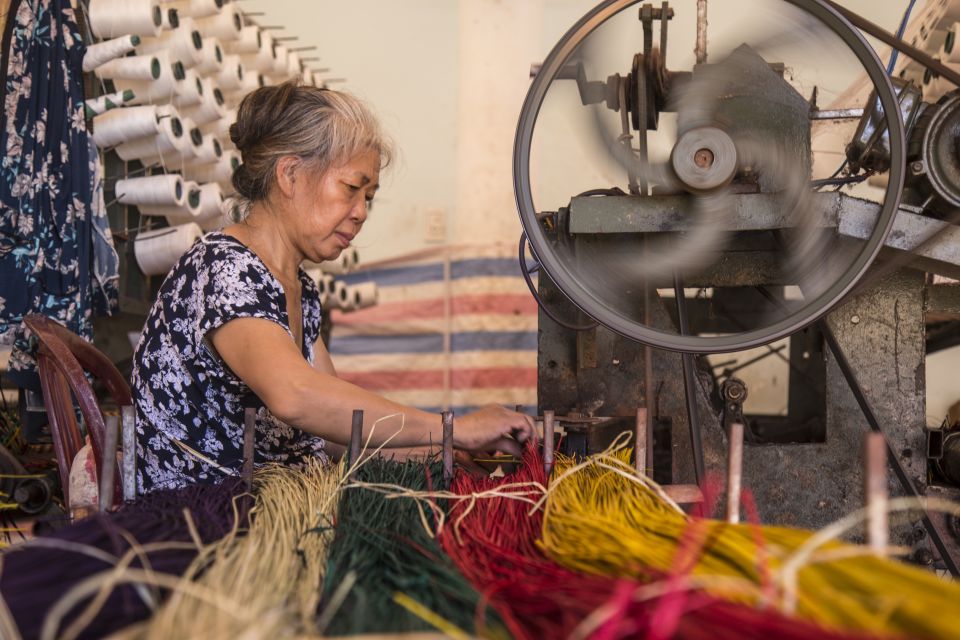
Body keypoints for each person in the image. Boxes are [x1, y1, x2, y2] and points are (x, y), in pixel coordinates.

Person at [131, 80, 534, 494]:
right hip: (206, 517)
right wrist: (456, 428)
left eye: (369, 197)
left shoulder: (297, 289)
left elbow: (335, 433)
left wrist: (450, 451)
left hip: (273, 501)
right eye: (350, 189)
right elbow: (296, 396)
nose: (360, 214)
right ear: (290, 174)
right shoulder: (225, 270)